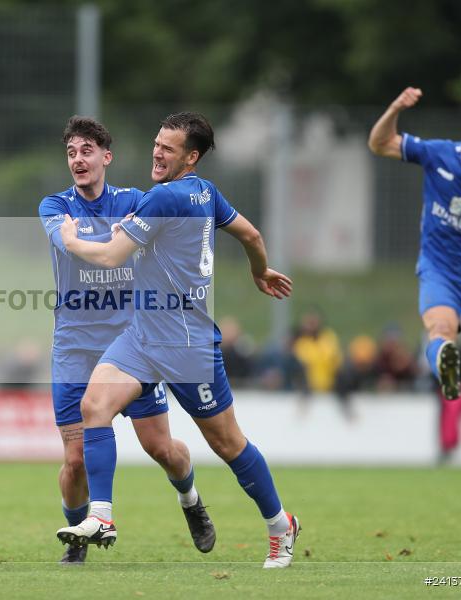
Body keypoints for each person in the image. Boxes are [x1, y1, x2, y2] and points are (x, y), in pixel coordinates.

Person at [56, 112, 299, 568]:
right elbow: (250, 233)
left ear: (191, 157)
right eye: (156, 143)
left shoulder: (165, 198)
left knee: (229, 445)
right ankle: (102, 517)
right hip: (144, 336)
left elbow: (109, 256)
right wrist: (259, 270)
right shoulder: (206, 192)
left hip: (187, 345)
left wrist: (71, 237)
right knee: (95, 406)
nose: (156, 152)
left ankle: (280, 525)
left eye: (168, 148)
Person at [39, 116, 214, 565]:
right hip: (75, 347)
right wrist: (113, 239)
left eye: (87, 151)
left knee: (162, 448)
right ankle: (78, 539)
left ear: (106, 157)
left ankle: (191, 499)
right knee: (74, 459)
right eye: (72, 153)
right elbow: (68, 240)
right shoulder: (54, 205)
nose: (78, 160)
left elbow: (138, 240)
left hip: (130, 343)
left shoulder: (136, 200)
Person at [368, 88, 461, 401]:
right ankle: (446, 368)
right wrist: (395, 108)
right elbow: (380, 143)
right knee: (441, 329)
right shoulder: (438, 153)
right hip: (441, 271)